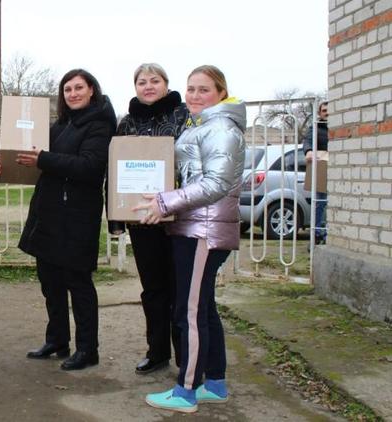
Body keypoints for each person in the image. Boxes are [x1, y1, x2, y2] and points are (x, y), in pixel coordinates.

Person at [134, 65, 245, 413]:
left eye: (204, 90)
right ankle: (214, 382)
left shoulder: (222, 129)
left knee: (189, 312)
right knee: (204, 309)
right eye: (191, 89)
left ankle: (186, 391)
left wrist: (166, 201)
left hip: (203, 231)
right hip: (195, 226)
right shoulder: (205, 125)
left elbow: (215, 184)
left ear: (221, 93)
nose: (195, 96)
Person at [17, 69, 116, 371]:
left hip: (77, 217)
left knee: (78, 283)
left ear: (91, 91)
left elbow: (89, 166)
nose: (72, 93)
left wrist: (43, 159)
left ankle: (88, 349)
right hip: (49, 213)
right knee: (51, 282)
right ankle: (58, 339)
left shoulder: (100, 125)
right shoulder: (60, 125)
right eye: (67, 89)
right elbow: (35, 156)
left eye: (78, 88)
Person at [110, 63, 189, 375]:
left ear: (166, 84)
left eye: (154, 80)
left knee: (180, 288)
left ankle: (186, 354)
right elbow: (115, 170)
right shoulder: (126, 123)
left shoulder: (184, 116)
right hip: (141, 218)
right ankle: (157, 351)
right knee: (153, 288)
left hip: (180, 216)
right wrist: (115, 218)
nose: (148, 86)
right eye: (142, 82)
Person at [303, 101, 329, 245]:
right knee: (320, 202)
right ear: (320, 113)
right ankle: (318, 234)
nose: (327, 113)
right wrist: (308, 151)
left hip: (340, 173)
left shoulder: (339, 126)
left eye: (329, 110)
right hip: (322, 168)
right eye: (324, 110)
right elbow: (307, 141)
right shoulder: (316, 127)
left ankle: (330, 233)